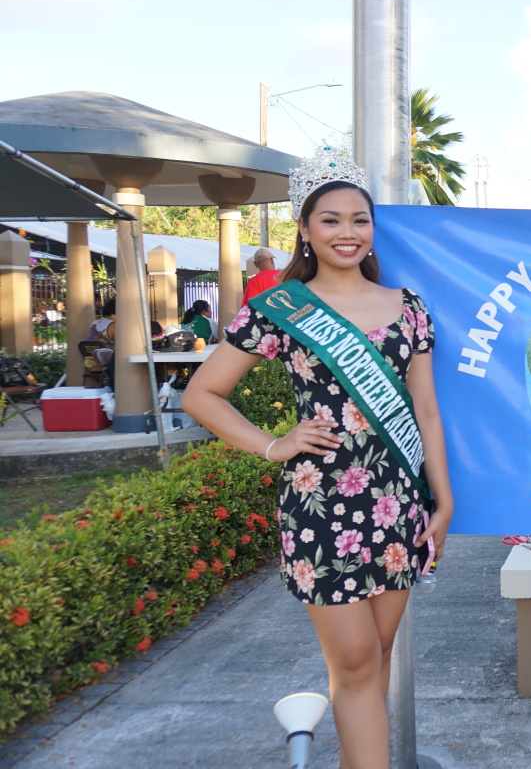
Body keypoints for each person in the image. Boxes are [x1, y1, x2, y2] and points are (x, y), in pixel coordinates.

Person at [183, 148, 453, 769]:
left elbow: (427, 411)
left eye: (359, 219)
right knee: (354, 662)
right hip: (320, 505)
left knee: (376, 656)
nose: (346, 232)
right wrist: (274, 444)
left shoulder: (408, 307)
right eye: (330, 220)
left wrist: (442, 499)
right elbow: (202, 394)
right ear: (304, 229)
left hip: (395, 505)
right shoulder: (281, 308)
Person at [88, 298, 116, 389]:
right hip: (107, 364)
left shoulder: (94, 323)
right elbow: (123, 343)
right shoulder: (113, 325)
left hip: (90, 361)